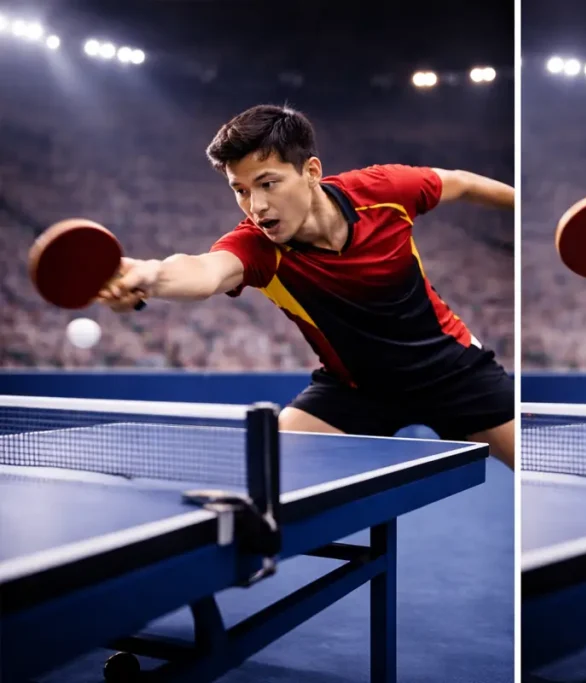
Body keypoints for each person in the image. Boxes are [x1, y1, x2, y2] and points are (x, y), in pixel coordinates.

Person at [97, 104, 516, 468]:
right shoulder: (259, 248)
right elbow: (204, 272)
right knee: (266, 475)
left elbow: (460, 182)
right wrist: (151, 274)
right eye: (240, 190)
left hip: (453, 372)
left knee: (539, 472)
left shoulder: (383, 191)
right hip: (356, 389)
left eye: (267, 183)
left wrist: (524, 203)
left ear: (311, 171)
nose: (256, 206)